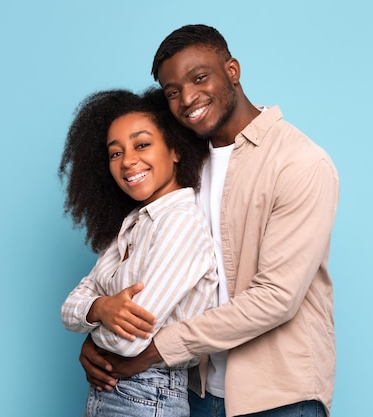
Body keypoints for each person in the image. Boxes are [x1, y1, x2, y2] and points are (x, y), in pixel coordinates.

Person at [78, 24, 339, 417]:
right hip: (193, 392)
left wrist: (150, 351)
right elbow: (133, 264)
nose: (188, 98)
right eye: (172, 92)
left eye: (199, 77)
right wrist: (99, 333)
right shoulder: (181, 164)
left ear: (232, 70)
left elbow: (277, 298)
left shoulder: (299, 163)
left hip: (279, 397)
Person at [59, 87, 219, 417]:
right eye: (115, 153)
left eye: (142, 144)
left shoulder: (180, 224)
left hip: (148, 394)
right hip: (115, 391)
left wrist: (92, 329)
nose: (128, 160)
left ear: (175, 149)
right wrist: (102, 307)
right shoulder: (134, 223)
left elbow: (129, 342)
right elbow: (69, 309)